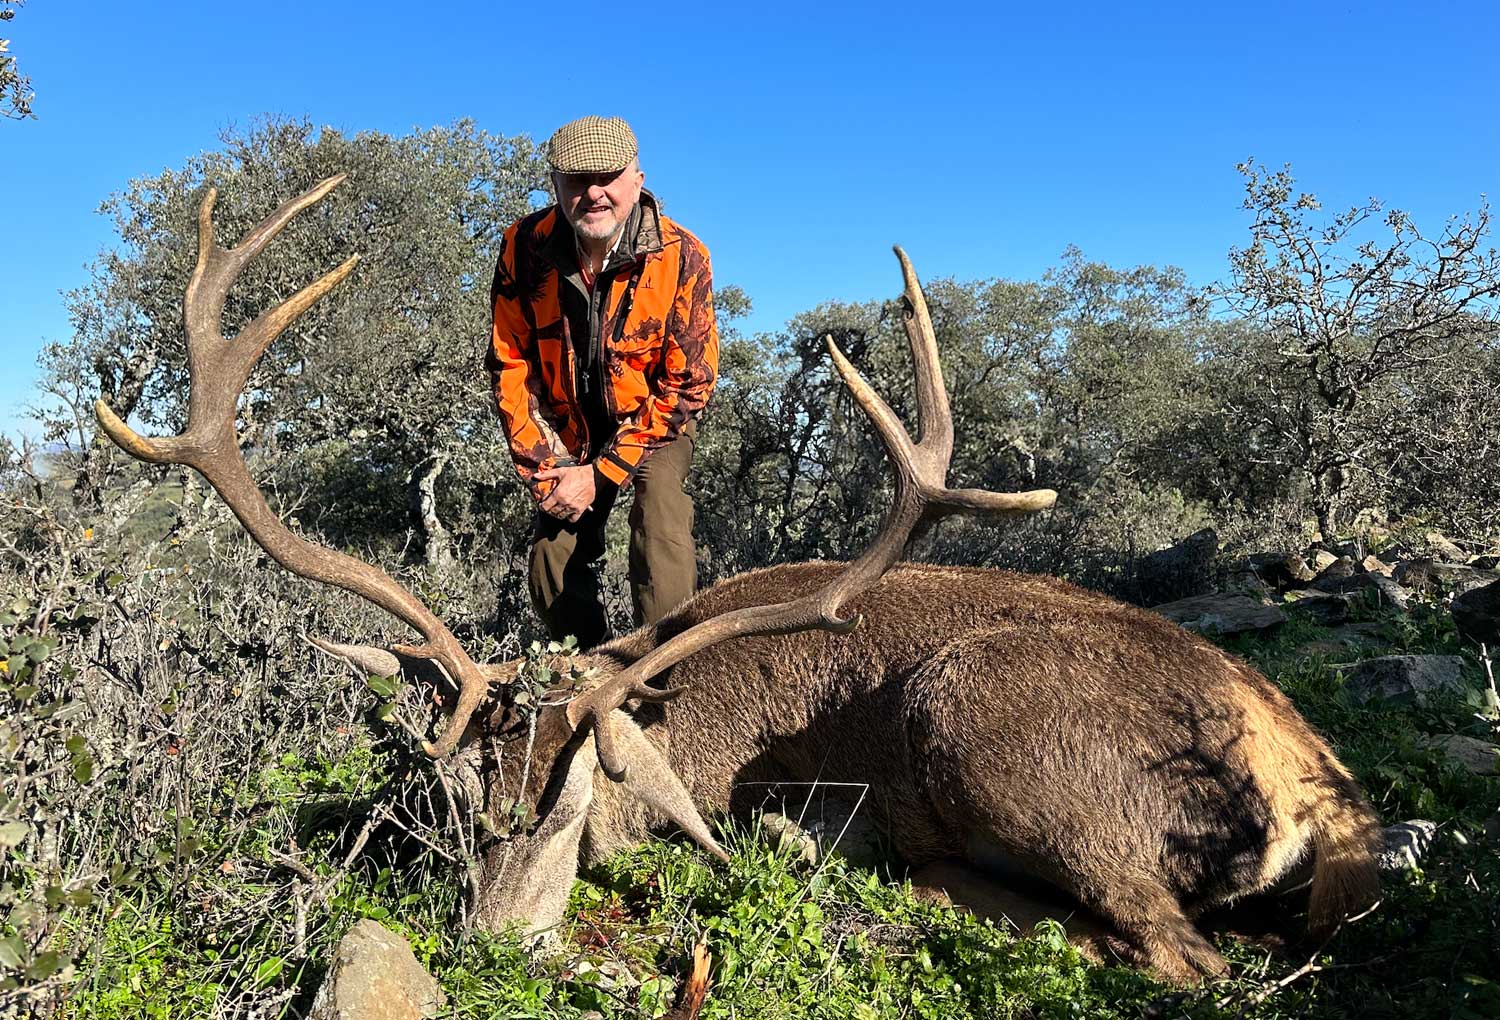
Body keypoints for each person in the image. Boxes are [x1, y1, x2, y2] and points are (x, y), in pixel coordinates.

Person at [487, 115, 719, 649]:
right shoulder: (522, 248)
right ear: (555, 186)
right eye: (575, 180)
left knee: (660, 524)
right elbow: (510, 366)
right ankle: (595, 674)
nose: (593, 193)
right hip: (568, 432)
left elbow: (688, 386)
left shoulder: (682, 256)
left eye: (608, 177)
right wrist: (548, 472)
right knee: (551, 564)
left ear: (636, 179)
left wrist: (605, 471)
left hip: (654, 424)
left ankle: (664, 675)